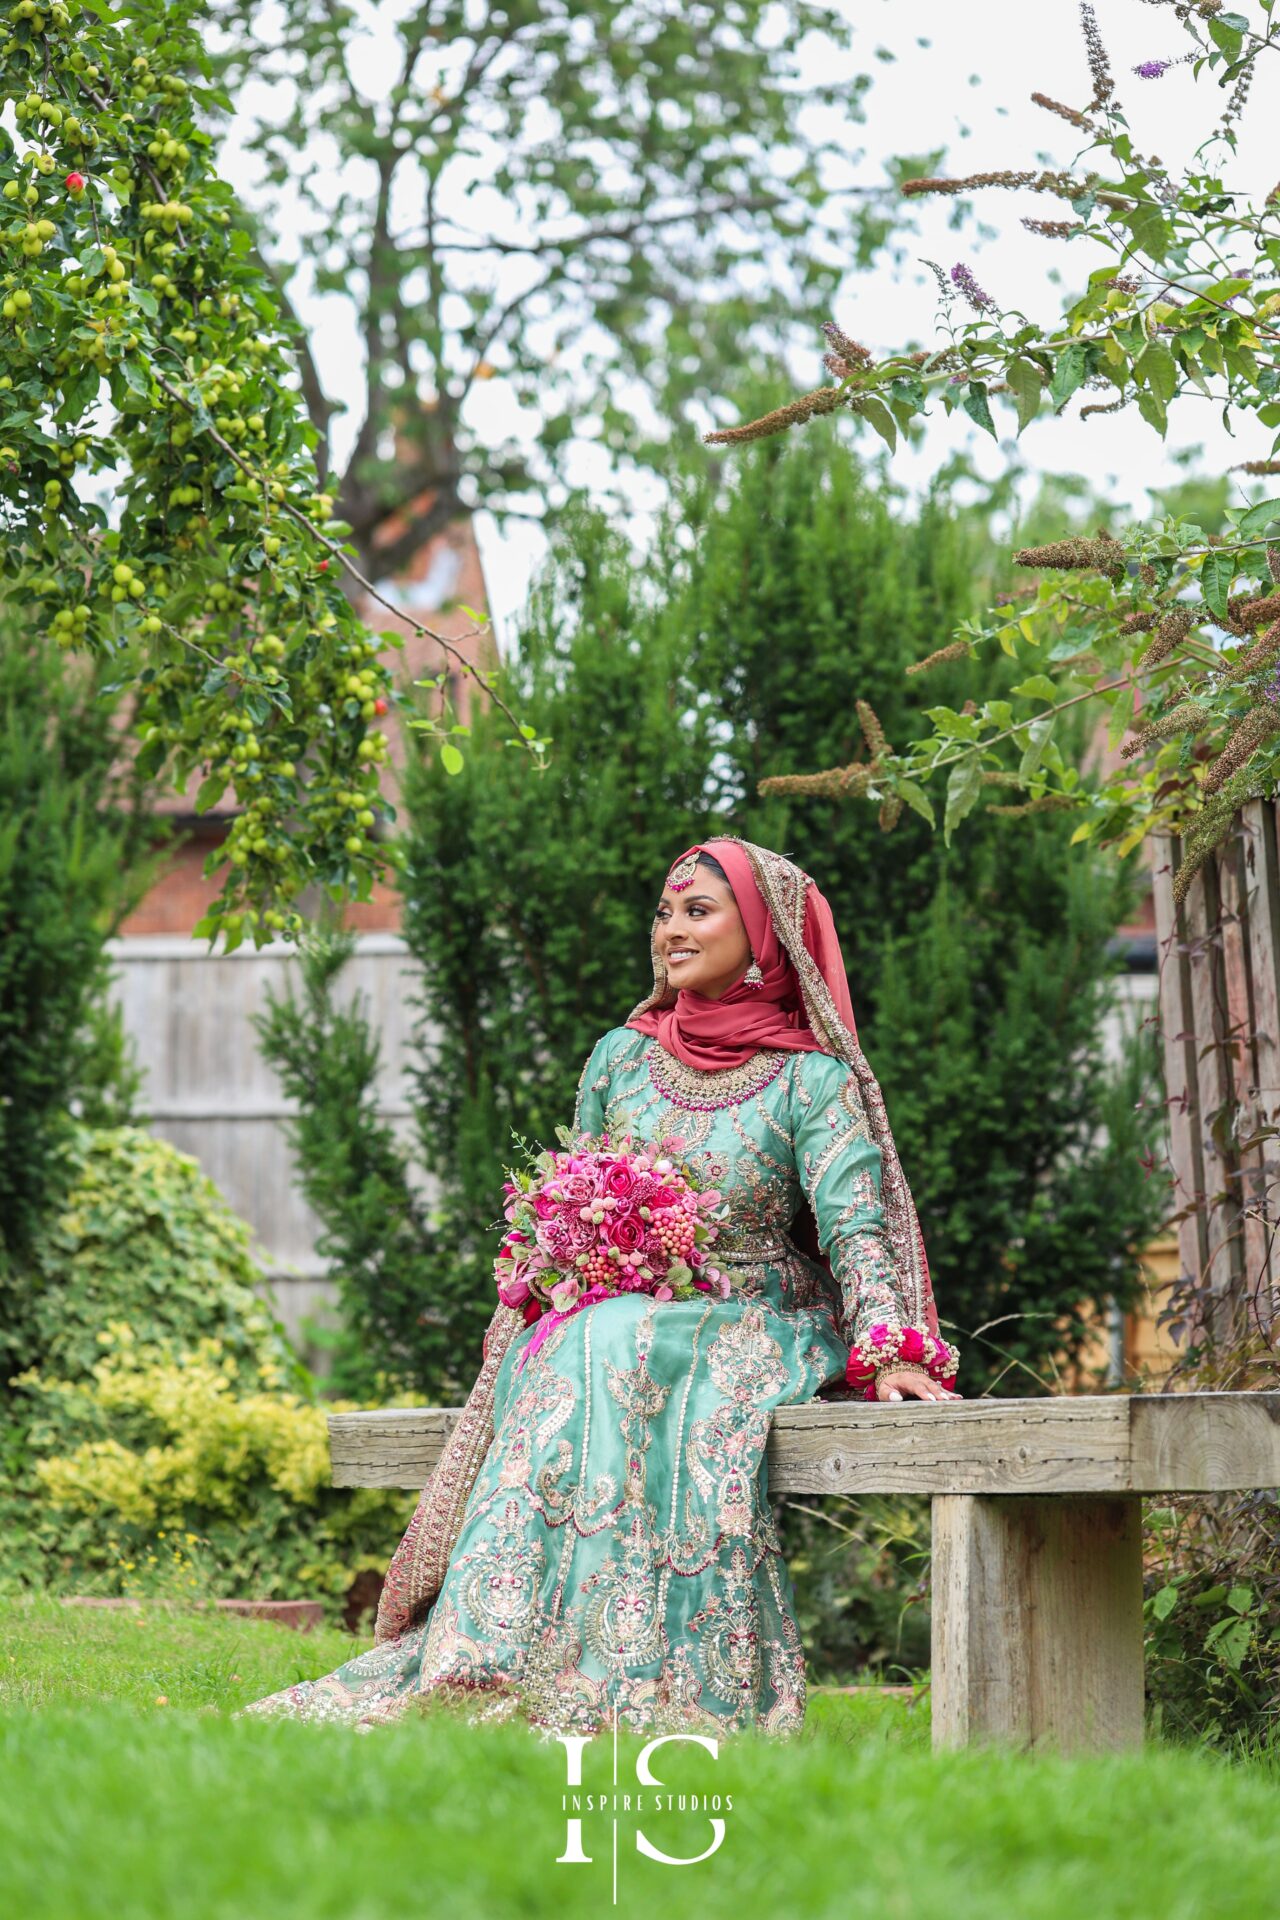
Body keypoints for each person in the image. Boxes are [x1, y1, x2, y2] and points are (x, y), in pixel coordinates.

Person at [237, 837, 961, 1737]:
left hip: (754, 1312)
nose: (671, 930)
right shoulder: (621, 1056)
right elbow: (567, 1198)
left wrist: (888, 1347)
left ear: (765, 933)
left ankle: (668, 1678)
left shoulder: (812, 1080)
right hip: (613, 1315)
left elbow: (854, 1225)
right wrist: (573, 1257)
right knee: (589, 1334)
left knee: (618, 1336)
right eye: (664, 912)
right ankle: (494, 1654)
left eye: (698, 911)